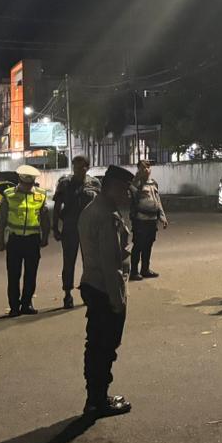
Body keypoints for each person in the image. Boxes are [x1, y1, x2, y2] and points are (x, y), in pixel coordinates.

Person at [79, 165, 135, 418]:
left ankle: (97, 397)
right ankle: (98, 401)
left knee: (96, 346)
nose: (127, 194)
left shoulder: (93, 209)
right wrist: (117, 300)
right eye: (124, 189)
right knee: (104, 347)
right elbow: (111, 264)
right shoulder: (106, 215)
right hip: (104, 287)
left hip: (93, 283)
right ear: (112, 187)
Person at [0, 165, 52, 316]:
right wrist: (0, 240)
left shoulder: (40, 195)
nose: (28, 186)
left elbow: (45, 218)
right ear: (20, 181)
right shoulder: (9, 195)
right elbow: (1, 220)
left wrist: (45, 236)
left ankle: (27, 303)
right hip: (15, 240)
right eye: (25, 183)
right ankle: (14, 306)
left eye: (30, 183)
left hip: (32, 240)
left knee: (31, 274)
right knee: (13, 275)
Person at [53, 156, 101, 309]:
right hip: (70, 228)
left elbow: (101, 205)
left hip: (89, 229)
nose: (78, 170)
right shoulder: (65, 183)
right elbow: (57, 206)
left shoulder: (94, 183)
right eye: (75, 167)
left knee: (90, 262)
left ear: (87, 167)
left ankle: (89, 292)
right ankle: (67, 293)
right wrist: (55, 227)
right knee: (68, 262)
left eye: (81, 167)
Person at [129, 160, 167, 281]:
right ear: (138, 170)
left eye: (148, 167)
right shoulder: (135, 184)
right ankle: (134, 271)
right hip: (140, 220)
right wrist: (137, 180)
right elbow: (131, 196)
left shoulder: (153, 183)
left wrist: (162, 217)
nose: (146, 170)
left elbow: (157, 200)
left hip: (152, 219)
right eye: (142, 168)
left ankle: (145, 269)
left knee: (148, 245)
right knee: (138, 245)